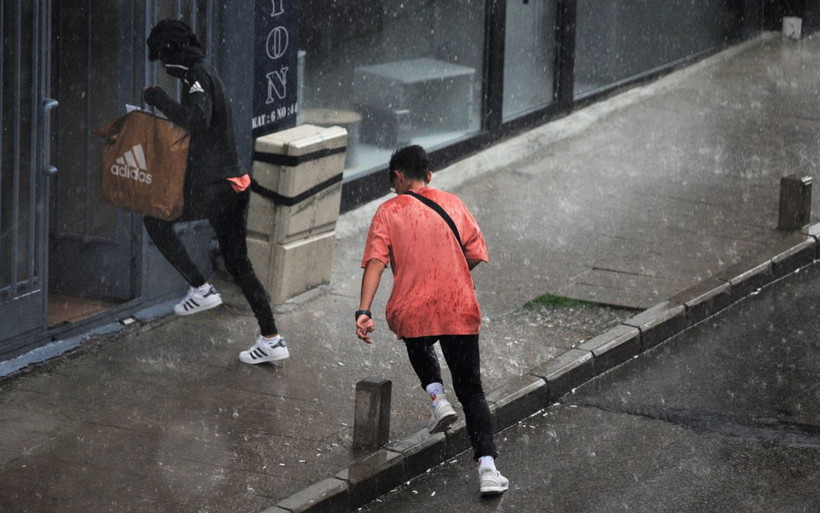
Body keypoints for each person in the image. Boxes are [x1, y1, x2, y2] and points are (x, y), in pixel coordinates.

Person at [355, 145, 509, 496]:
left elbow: (376, 262)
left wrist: (364, 310)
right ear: (429, 175)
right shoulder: (453, 203)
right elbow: (475, 252)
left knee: (416, 333)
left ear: (397, 176)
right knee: (472, 391)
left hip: (414, 308)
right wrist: (449, 275)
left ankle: (437, 398)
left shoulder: (388, 211)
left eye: (393, 183)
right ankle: (487, 469)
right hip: (458, 307)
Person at [142, 19, 287, 365]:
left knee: (155, 220)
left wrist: (159, 99)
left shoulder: (196, 75)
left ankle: (201, 288)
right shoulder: (204, 72)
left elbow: (198, 119)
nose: (161, 65)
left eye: (160, 57)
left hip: (216, 187)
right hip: (232, 184)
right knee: (238, 264)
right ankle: (272, 338)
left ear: (170, 52)